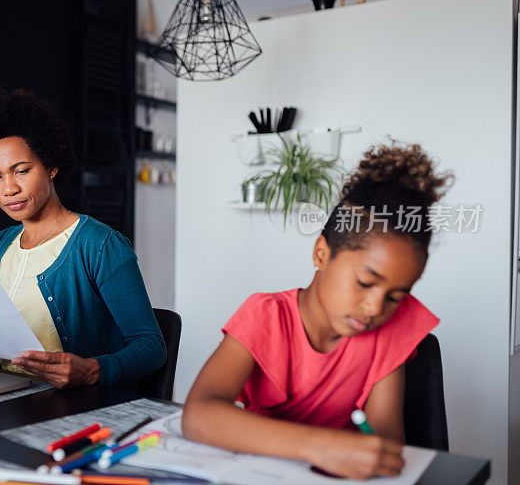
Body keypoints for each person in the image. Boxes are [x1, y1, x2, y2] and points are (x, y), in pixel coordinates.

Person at [182, 142, 453, 479]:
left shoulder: (390, 328)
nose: (375, 309)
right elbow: (199, 415)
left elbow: (385, 437)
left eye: (395, 296)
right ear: (321, 255)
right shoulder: (265, 316)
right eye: (365, 283)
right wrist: (320, 445)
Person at [0, 87, 165, 391]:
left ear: (51, 166)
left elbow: (152, 346)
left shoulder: (99, 245)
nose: (8, 189)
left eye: (21, 171)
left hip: (76, 410)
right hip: (5, 402)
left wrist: (93, 370)